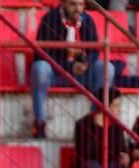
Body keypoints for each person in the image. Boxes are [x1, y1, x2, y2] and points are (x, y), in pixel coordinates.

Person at [30, 0, 116, 139]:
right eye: (73, 4)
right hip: (57, 73)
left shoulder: (87, 20)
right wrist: (69, 66)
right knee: (40, 68)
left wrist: (86, 63)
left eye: (81, 4)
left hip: (81, 73)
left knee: (107, 68)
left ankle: (95, 123)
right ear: (63, 4)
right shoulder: (49, 19)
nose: (78, 8)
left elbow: (94, 51)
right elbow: (43, 53)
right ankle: (39, 123)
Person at [74, 88, 130, 168]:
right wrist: (98, 128)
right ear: (105, 106)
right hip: (88, 167)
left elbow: (121, 148)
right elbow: (86, 153)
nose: (119, 109)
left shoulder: (116, 125)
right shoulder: (83, 124)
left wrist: (125, 155)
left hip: (108, 165)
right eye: (116, 106)